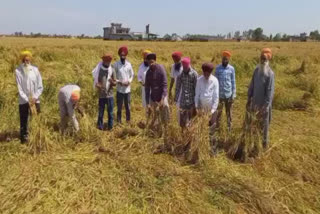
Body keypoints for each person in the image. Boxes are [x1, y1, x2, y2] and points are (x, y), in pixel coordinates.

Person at [247, 48, 275, 149]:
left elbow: (270, 92)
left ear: (268, 60)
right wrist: (249, 97)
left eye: (264, 59)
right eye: (261, 58)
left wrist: (266, 106)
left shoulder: (270, 74)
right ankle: (254, 143)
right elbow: (252, 84)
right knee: (254, 124)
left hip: (264, 106)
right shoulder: (256, 70)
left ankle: (264, 145)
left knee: (264, 126)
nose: (262, 61)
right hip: (254, 103)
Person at [15, 50, 43, 144]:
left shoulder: (35, 70)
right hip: (24, 100)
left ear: (30, 60)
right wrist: (28, 100)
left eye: (28, 60)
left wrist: (34, 97)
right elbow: (19, 88)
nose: (26, 62)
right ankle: (24, 139)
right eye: (24, 60)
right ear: (22, 60)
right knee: (24, 120)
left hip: (35, 100)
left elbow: (40, 86)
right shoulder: (18, 71)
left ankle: (36, 137)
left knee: (36, 119)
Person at [144, 53, 170, 152]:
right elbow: (147, 89)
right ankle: (156, 134)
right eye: (149, 62)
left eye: (152, 62)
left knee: (165, 114)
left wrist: (163, 99)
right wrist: (148, 103)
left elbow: (164, 85)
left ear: (155, 61)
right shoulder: (148, 73)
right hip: (153, 97)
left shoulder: (161, 69)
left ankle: (166, 132)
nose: (151, 64)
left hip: (162, 96)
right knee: (154, 115)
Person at [195, 63, 219, 155]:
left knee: (211, 131)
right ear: (203, 72)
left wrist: (212, 112)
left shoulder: (215, 80)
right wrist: (197, 107)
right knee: (201, 130)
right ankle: (201, 150)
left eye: (208, 74)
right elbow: (196, 95)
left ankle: (213, 151)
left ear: (210, 72)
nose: (206, 75)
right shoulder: (199, 80)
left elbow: (216, 97)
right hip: (201, 110)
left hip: (211, 110)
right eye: (205, 73)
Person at [174, 57, 198, 131]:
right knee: (182, 122)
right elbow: (177, 87)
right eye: (183, 67)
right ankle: (183, 136)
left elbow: (196, 89)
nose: (184, 69)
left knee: (191, 120)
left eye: (185, 67)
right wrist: (175, 98)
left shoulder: (194, 74)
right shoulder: (181, 74)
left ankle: (190, 138)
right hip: (183, 100)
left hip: (191, 101)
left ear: (188, 65)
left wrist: (196, 103)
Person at [215, 51, 236, 131]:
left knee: (229, 113)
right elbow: (215, 82)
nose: (224, 61)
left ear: (228, 60)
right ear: (221, 59)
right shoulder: (217, 68)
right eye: (223, 59)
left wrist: (233, 95)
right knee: (218, 113)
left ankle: (229, 128)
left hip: (229, 95)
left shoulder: (231, 69)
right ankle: (217, 128)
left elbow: (233, 82)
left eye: (226, 60)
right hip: (219, 95)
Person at [95, 53, 116, 130]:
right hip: (101, 95)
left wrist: (112, 82)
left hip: (110, 95)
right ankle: (100, 127)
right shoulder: (99, 70)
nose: (108, 63)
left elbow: (115, 83)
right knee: (101, 112)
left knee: (110, 112)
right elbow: (96, 82)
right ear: (103, 61)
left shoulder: (112, 69)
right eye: (106, 61)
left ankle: (110, 127)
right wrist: (98, 86)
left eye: (109, 61)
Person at [114, 46, 134, 123]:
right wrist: (120, 82)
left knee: (128, 106)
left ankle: (128, 120)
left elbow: (132, 75)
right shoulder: (116, 64)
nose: (123, 56)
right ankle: (119, 121)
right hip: (119, 89)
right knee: (119, 107)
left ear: (126, 55)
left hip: (127, 90)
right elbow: (113, 76)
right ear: (119, 55)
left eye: (124, 55)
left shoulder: (129, 64)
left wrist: (129, 81)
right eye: (121, 55)